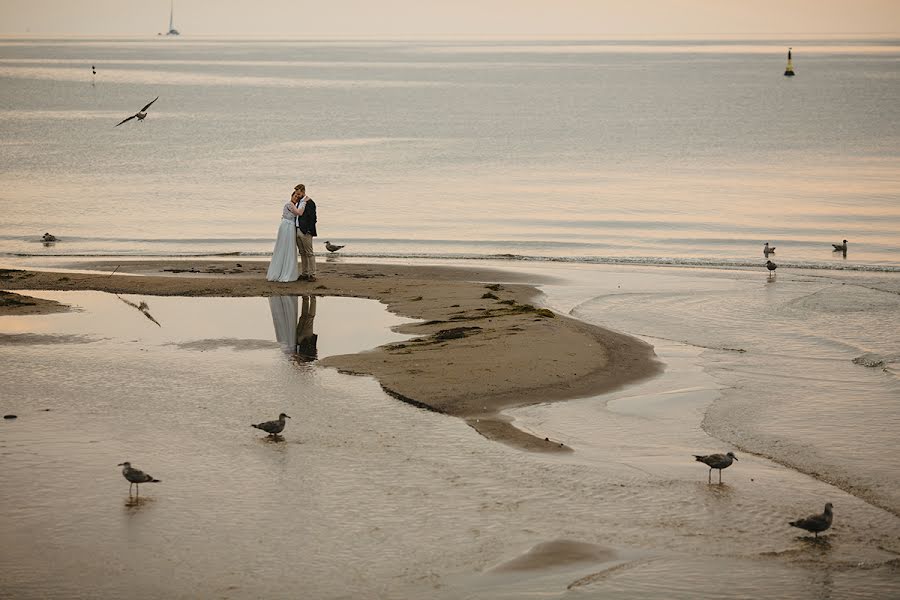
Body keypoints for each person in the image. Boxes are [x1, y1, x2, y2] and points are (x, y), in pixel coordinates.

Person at [266, 189, 304, 282]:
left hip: (289, 226)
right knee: (285, 247)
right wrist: (304, 203)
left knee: (288, 247)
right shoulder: (289, 204)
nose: (296, 198)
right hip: (287, 226)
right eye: (295, 196)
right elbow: (299, 213)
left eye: (297, 197)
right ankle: (284, 272)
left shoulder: (293, 205)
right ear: (291, 196)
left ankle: (285, 270)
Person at [293, 183, 317, 281]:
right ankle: (305, 273)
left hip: (305, 231)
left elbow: (313, 218)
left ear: (303, 192)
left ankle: (312, 274)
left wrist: (308, 230)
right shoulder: (299, 202)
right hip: (297, 229)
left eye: (298, 194)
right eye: (296, 194)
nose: (297, 196)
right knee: (302, 252)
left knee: (309, 252)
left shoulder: (310, 202)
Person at [294, 295, 318, 362]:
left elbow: (313, 353)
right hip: (301, 340)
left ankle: (310, 298)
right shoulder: (305, 360)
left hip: (304, 339)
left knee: (307, 317)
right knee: (305, 317)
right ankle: (307, 298)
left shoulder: (308, 360)